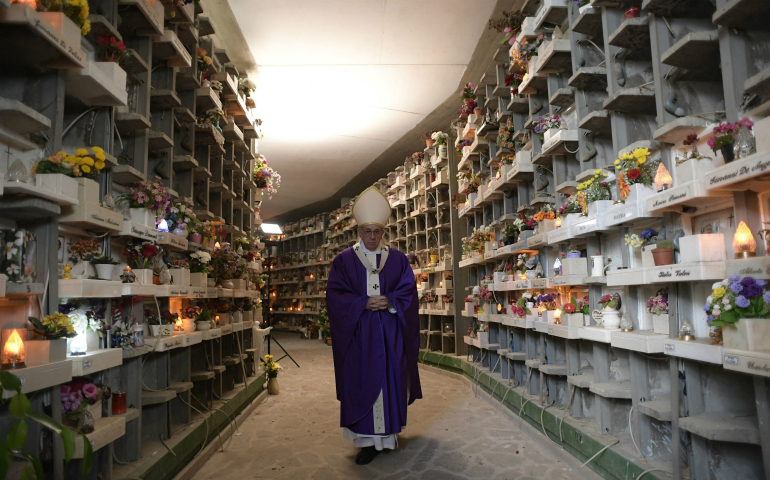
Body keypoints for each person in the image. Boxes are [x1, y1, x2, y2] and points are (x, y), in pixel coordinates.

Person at [326, 186, 422, 466]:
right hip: (359, 335)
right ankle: (366, 442)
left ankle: (387, 437)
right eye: (366, 231)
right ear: (358, 232)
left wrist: (390, 301)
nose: (371, 237)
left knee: (389, 381)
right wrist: (363, 304)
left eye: (376, 232)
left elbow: (408, 293)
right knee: (361, 381)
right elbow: (335, 295)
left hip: (390, 334)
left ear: (383, 233)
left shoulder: (398, 260)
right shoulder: (343, 261)